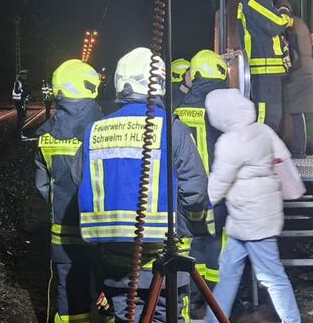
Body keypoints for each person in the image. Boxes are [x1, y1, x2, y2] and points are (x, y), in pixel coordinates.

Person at [76, 47, 212, 322]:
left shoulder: (96, 130)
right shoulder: (171, 128)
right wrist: (185, 226)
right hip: (165, 261)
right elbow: (196, 191)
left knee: (125, 316)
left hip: (114, 263)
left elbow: (79, 179)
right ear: (159, 84)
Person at [203, 89, 304, 323]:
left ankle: (292, 320)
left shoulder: (230, 141)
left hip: (251, 219)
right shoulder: (263, 130)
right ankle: (214, 319)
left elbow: (219, 182)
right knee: (229, 271)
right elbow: (283, 158)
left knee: (271, 276)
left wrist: (199, 202)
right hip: (253, 216)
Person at [35, 60, 106, 323]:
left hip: (64, 229)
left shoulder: (45, 134)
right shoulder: (103, 127)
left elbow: (42, 186)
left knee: (70, 289)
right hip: (102, 229)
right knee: (109, 285)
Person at [173, 50, 229, 316]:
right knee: (216, 246)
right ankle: (216, 302)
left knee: (192, 245)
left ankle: (191, 299)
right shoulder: (225, 108)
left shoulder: (179, 109)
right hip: (219, 194)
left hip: (189, 193)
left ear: (194, 75)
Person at [236, 0, 293, 134]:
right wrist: (285, 12)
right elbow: (276, 23)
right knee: (266, 119)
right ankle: (261, 158)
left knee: (272, 118)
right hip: (264, 70)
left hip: (268, 71)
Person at [281, 12, 313, 158]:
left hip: (295, 73)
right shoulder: (300, 23)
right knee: (298, 113)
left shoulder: (286, 25)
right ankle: (300, 150)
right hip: (306, 70)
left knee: (284, 111)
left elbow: (291, 53)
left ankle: (291, 150)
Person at [12, 69, 31, 138]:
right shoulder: (18, 83)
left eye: (25, 75)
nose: (25, 76)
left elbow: (28, 91)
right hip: (19, 102)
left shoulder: (24, 83)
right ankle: (19, 133)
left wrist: (28, 95)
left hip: (23, 102)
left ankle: (20, 132)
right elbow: (17, 91)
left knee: (22, 117)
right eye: (23, 75)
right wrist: (23, 91)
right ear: (21, 75)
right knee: (21, 118)